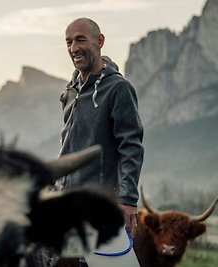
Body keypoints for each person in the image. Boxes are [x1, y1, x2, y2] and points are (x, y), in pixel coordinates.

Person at [57, 18, 144, 266]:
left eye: (81, 39)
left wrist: (127, 199)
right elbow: (68, 147)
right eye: (69, 42)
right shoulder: (70, 91)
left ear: (100, 41)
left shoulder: (119, 88)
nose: (74, 48)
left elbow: (131, 146)